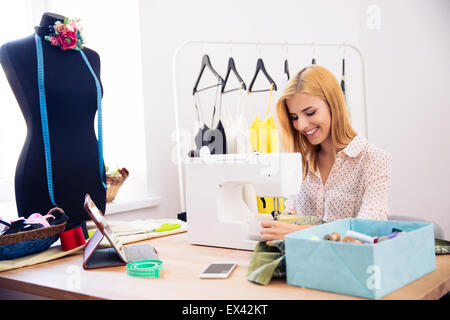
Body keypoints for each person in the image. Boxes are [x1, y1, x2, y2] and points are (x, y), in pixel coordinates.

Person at [260, 65, 392, 245]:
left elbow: (368, 228)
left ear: (333, 105)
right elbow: (290, 216)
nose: (302, 125)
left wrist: (299, 232)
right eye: (294, 117)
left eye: (310, 113)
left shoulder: (374, 159)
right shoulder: (300, 162)